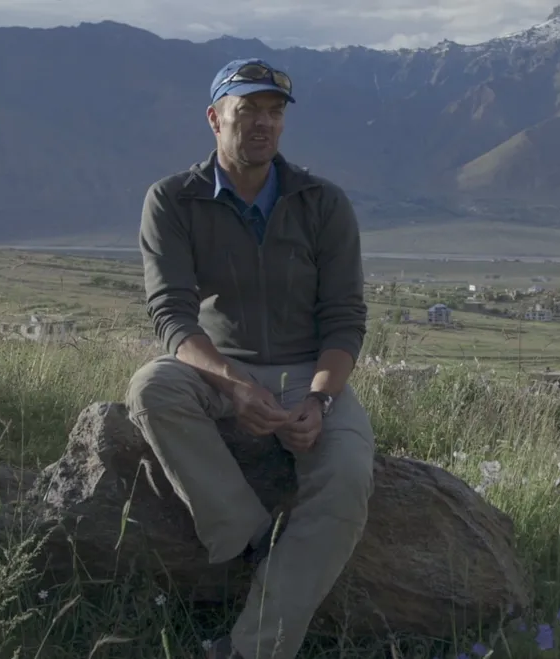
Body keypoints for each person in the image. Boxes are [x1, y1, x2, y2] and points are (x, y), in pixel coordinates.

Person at [124, 57, 376, 659]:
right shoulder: (172, 201)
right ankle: (251, 536)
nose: (263, 124)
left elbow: (344, 319)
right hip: (216, 371)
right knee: (151, 388)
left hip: (307, 376)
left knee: (345, 477)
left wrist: (320, 398)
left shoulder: (323, 203)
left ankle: (250, 650)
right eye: (248, 111)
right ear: (215, 118)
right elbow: (173, 318)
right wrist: (235, 386)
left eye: (275, 112)